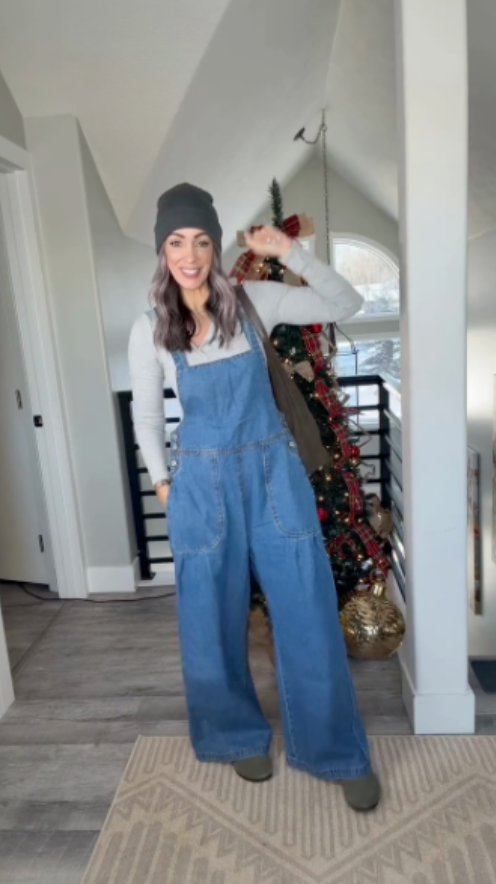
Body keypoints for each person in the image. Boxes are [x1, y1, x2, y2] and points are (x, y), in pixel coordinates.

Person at [128, 183, 381, 812]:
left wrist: (288, 251)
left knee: (309, 610)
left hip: (274, 477)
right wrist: (162, 484)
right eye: (176, 242)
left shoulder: (254, 301)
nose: (189, 255)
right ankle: (234, 734)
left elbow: (345, 302)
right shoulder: (150, 329)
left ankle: (334, 749)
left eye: (201, 241)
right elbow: (146, 417)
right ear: (162, 250)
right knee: (209, 620)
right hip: (200, 486)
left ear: (215, 246)